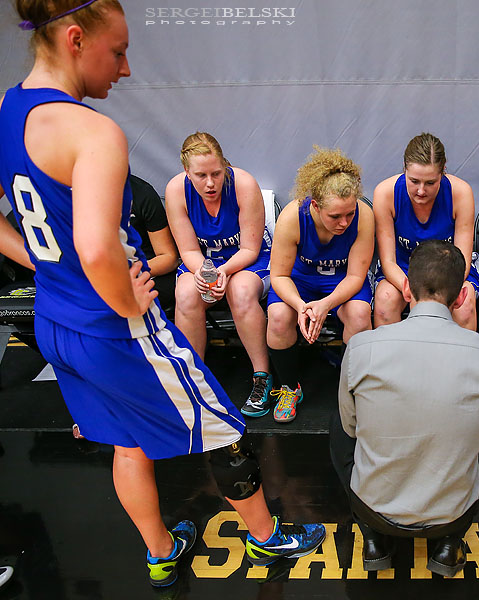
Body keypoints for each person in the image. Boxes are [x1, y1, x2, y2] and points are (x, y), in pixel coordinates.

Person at [0, 0, 324, 588]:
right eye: (118, 51)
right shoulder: (92, 130)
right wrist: (130, 302)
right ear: (75, 39)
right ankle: (268, 541)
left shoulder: (4, 110)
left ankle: (160, 553)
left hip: (55, 319)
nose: (125, 70)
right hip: (112, 325)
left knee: (127, 441)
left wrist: (45, 263)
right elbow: (99, 250)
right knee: (224, 429)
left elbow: (59, 243)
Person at [331, 240, 479, 576]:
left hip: (371, 508)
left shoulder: (361, 346)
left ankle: (373, 539)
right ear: (460, 298)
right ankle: (449, 543)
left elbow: (351, 430)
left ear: (407, 290)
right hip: (453, 514)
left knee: (339, 421)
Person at [165, 131, 274, 418]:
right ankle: (193, 379)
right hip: (203, 261)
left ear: (225, 165)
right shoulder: (176, 190)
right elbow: (187, 250)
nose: (210, 183)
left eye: (216, 173)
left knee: (240, 291)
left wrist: (223, 272)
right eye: (201, 175)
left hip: (247, 259)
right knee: (186, 292)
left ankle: (262, 376)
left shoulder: (243, 184)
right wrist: (204, 272)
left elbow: (250, 248)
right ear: (187, 172)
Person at [266, 147, 374, 423]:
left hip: (341, 282)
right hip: (300, 282)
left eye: (349, 214)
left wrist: (326, 305)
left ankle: (353, 390)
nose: (344, 222)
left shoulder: (364, 215)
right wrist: (302, 306)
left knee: (360, 316)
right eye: (335, 216)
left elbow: (355, 277)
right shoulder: (293, 216)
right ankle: (290, 388)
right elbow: (278, 275)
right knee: (279, 317)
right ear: (314, 205)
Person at [372, 132, 479, 330]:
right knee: (385, 301)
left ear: (443, 172)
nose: (421, 191)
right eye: (414, 181)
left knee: (464, 306)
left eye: (430, 183)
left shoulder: (460, 193)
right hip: (403, 269)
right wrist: (415, 290)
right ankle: (391, 361)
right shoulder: (385, 193)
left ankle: (459, 361)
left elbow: (462, 261)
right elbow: (388, 261)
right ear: (404, 169)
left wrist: (435, 295)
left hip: (450, 271)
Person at [129, 174, 178, 315]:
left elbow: (169, 257)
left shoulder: (140, 192)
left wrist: (130, 275)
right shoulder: (71, 195)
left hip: (144, 270)